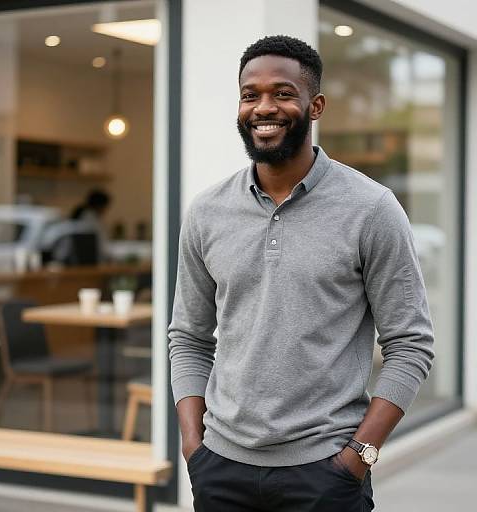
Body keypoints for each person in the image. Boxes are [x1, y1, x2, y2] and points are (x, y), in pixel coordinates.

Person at [168, 35, 434, 511]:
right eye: (250, 95)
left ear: (315, 106)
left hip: (325, 472)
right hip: (221, 468)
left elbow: (410, 344)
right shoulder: (207, 212)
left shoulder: (371, 209)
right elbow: (188, 337)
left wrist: (358, 457)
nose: (263, 107)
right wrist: (194, 449)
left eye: (282, 93)